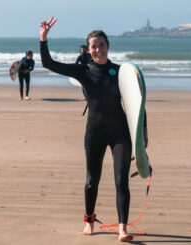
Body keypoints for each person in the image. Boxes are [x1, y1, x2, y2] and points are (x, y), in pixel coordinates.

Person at [39, 17, 148, 242]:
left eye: (101, 45)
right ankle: (89, 219)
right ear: (88, 50)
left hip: (120, 133)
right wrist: (43, 39)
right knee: (92, 180)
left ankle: (122, 229)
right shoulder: (82, 71)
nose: (98, 49)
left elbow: (137, 101)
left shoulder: (120, 71)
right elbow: (49, 64)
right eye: (93, 46)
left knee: (121, 180)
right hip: (95, 133)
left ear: (108, 46)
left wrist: (142, 131)